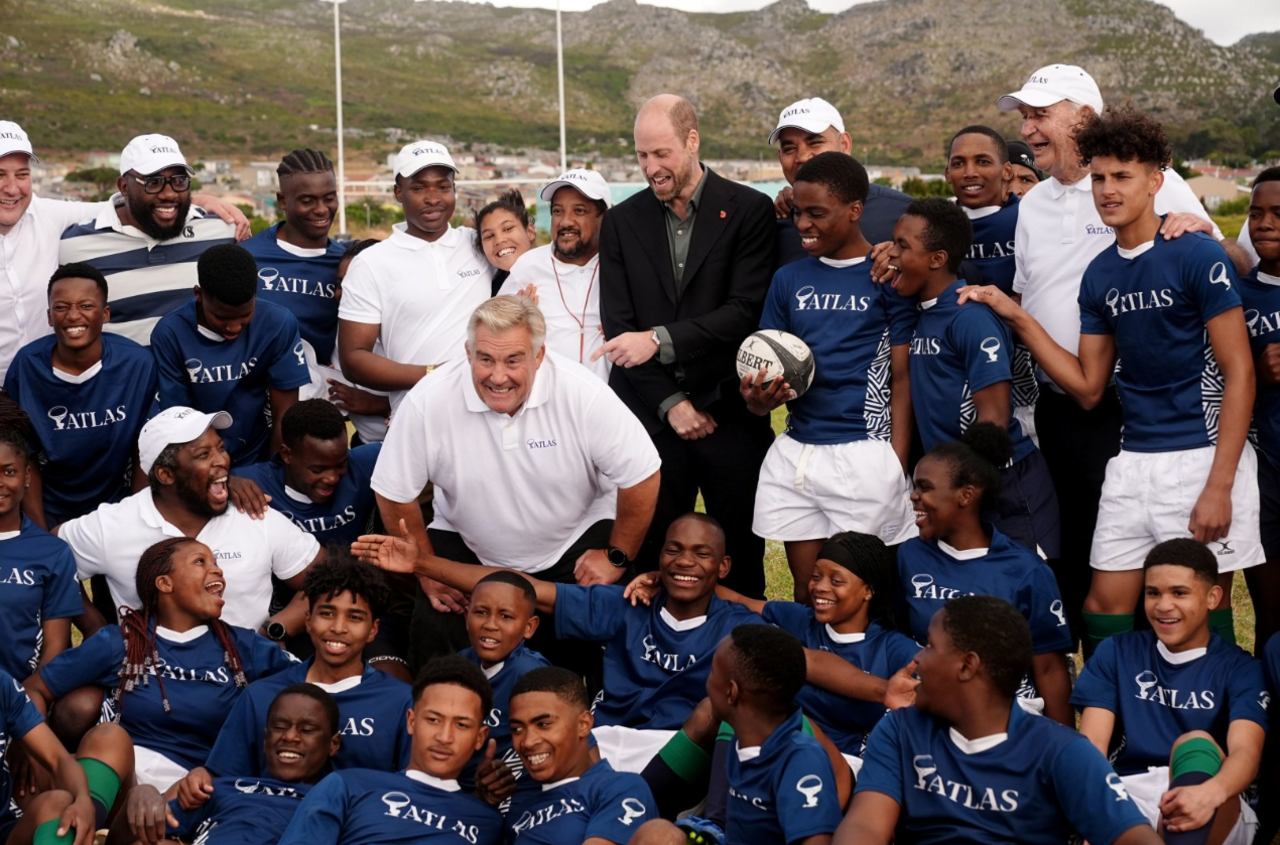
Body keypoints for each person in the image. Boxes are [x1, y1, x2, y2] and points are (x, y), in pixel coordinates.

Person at [958, 104, 1261, 649]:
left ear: (1156, 181)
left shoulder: (1195, 255)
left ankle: (1211, 727)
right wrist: (1017, 314)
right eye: (1099, 177)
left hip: (1200, 456)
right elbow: (1088, 385)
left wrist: (1220, 484)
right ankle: (1114, 728)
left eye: (1122, 176)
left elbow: (1240, 373)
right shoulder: (1100, 273)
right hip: (1132, 459)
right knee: (1104, 604)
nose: (1107, 189)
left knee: (1196, 603)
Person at [369, 296, 660, 674]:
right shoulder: (429, 398)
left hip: (572, 542)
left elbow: (643, 474)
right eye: (486, 359)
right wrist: (427, 572)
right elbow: (393, 492)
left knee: (588, 661)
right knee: (438, 654)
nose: (498, 376)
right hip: (467, 544)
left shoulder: (581, 392)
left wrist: (616, 555)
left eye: (513, 360)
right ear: (468, 352)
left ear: (538, 357)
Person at [355, 513, 764, 774]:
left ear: (723, 566)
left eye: (701, 554)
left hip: (676, 751)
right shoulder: (624, 605)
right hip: (601, 743)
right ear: (659, 560)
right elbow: (527, 588)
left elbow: (796, 619)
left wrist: (717, 593)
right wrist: (422, 563)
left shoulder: (739, 627)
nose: (685, 561)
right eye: (674, 551)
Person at [596, 93, 776, 599]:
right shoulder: (621, 221)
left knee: (738, 554)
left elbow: (744, 311)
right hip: (651, 420)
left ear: (692, 141)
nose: (651, 167)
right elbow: (619, 329)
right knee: (653, 555)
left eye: (662, 153)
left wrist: (659, 340)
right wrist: (672, 404)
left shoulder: (749, 210)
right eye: (641, 156)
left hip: (730, 414)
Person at [835, 595, 1157, 845]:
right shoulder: (900, 729)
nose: (917, 658)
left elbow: (1133, 836)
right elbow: (865, 825)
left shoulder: (1062, 753)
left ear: (967, 666)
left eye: (930, 647)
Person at [742, 151, 916, 603]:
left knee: (864, 596)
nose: (803, 224)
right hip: (799, 452)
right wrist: (760, 401)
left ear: (854, 210)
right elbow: (769, 371)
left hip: (864, 453)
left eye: (817, 213)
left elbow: (902, 378)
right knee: (810, 593)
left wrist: (895, 462)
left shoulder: (888, 277)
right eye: (798, 213)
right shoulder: (787, 279)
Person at [26, 537, 296, 790]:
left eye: (216, 563)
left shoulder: (242, 647)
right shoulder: (120, 642)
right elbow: (34, 689)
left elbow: (311, 685)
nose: (218, 571)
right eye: (201, 562)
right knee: (101, 748)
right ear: (165, 583)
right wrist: (34, 756)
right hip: (124, 774)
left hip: (200, 784)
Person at [0, 121, 247, 384]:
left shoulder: (51, 216)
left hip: (45, 385)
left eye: (22, 174)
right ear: (125, 186)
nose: (12, 187)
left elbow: (122, 207)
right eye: (0, 174)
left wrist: (196, 200)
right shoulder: (75, 242)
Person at [886, 197, 1060, 559]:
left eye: (903, 247)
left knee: (1022, 594)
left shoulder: (970, 317)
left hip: (1004, 485)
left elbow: (994, 420)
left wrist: (958, 491)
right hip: (957, 487)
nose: (892, 255)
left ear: (937, 259)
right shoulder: (919, 311)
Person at [56, 406, 322, 634]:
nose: (222, 461)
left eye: (220, 448)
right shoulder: (113, 525)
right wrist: (95, 629)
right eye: (203, 455)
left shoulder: (253, 514)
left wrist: (274, 631)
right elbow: (47, 559)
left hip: (248, 677)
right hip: (152, 681)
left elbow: (326, 579)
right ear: (165, 474)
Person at [1073, 540, 1267, 844]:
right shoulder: (1118, 652)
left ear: (1213, 597)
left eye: (1179, 592)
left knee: (1196, 744)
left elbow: (1246, 753)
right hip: (1129, 791)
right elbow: (1092, 745)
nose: (1163, 605)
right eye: (1153, 593)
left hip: (1211, 795)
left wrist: (1208, 794)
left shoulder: (1240, 668)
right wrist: (1095, 809)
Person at [895, 423, 1073, 724]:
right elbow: (899, 637)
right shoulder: (909, 555)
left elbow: (1049, 669)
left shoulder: (1026, 570)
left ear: (966, 495)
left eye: (925, 487)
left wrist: (1065, 748)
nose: (914, 496)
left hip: (1006, 715)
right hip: (928, 707)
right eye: (915, 486)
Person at [199, 552, 411, 780]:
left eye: (355, 617)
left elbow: (412, 790)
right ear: (308, 621)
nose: (339, 627)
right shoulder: (260, 696)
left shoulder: (399, 701)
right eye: (327, 613)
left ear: (373, 630)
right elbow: (225, 781)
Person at [274, 657, 505, 845]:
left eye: (461, 725)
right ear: (411, 721)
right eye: (433, 719)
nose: (445, 737)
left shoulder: (490, 823)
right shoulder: (348, 785)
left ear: (480, 737)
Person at [337, 140, 492, 412]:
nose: (433, 198)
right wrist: (436, 374)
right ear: (399, 192)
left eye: (443, 187)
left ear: (454, 189)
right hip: (416, 417)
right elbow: (353, 359)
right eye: (419, 188)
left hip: (488, 411)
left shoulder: (480, 244)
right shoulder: (371, 263)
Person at [4, 263, 156, 528]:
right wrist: (42, 534)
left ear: (105, 313)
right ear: (50, 316)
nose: (73, 316)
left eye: (86, 306)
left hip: (117, 508)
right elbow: (22, 455)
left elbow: (145, 448)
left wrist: (135, 521)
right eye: (62, 307)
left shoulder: (137, 364)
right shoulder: (26, 366)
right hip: (47, 507)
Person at [57, 133, 240, 345]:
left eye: (179, 180)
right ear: (124, 187)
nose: (169, 194)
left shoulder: (221, 232)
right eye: (154, 182)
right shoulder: (75, 245)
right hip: (123, 377)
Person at [109, 683, 340, 845]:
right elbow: (133, 836)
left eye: (307, 730)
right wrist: (139, 795)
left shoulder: (340, 801)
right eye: (280, 727)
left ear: (333, 744)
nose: (290, 737)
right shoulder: (222, 789)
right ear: (265, 738)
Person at [151, 243, 310, 465]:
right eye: (222, 317)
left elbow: (285, 413)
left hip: (260, 455)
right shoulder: (170, 333)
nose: (234, 327)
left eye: (245, 315)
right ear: (199, 294)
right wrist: (216, 473)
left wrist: (271, 472)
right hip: (199, 459)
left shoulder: (278, 323)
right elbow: (179, 421)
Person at [943, 126, 1040, 444]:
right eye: (959, 163)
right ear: (947, 173)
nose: (970, 172)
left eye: (983, 161)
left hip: (1024, 378)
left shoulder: (1033, 219)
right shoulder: (932, 228)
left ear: (1006, 171)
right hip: (950, 378)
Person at [708, 624, 842, 845]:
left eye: (712, 672)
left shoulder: (801, 760)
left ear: (731, 692)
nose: (708, 680)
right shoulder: (739, 743)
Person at [505, 667, 658, 843]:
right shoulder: (518, 812)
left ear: (584, 724)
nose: (528, 742)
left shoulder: (620, 787)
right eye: (517, 729)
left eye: (544, 724)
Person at [766, 97, 913, 264]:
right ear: (780, 157)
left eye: (815, 142)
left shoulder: (903, 213)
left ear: (845, 144)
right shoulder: (771, 221)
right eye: (789, 149)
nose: (802, 157)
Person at [241, 149, 346, 375]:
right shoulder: (247, 257)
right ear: (282, 201)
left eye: (329, 198)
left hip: (325, 398)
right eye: (307, 201)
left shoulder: (346, 264)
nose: (321, 209)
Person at [500, 169, 611, 381]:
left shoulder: (622, 263)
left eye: (579, 211)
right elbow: (497, 332)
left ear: (604, 217)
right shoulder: (528, 266)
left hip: (612, 401)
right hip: (547, 401)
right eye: (558, 212)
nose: (565, 221)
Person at [0, 401, 80, 680]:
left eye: (9, 471)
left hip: (20, 699)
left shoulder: (52, 553)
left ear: (26, 476)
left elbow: (55, 646)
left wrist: (31, 699)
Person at [231, 399, 380, 547]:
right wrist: (225, 482)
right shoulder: (249, 484)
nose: (332, 478)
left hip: (359, 569)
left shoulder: (364, 464)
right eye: (318, 470)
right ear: (287, 455)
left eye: (341, 464)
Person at [457, 572, 550, 801]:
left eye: (506, 616)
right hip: (457, 788)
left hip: (513, 792)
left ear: (529, 627)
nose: (491, 625)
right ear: (466, 616)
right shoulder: (457, 666)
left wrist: (503, 777)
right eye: (481, 612)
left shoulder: (531, 675)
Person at [1236, 167, 1280, 648]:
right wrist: (1255, 371)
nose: (1264, 223)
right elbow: (1217, 380)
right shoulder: (1238, 295)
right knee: (1271, 616)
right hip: (1264, 471)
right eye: (1256, 213)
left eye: (1278, 214)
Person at [0, 666, 110, 845]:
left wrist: (83, 798)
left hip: (6, 831)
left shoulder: (3, 685)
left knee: (59, 803)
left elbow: (58, 759)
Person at [474, 189, 536, 296]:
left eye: (508, 229)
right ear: (482, 249)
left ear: (530, 232)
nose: (499, 240)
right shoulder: (487, 293)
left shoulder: (554, 272)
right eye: (489, 236)